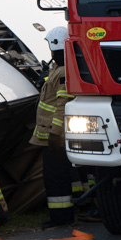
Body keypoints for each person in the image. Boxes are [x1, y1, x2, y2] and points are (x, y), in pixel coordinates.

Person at [29, 26, 77, 228]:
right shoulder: (59, 69)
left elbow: (62, 105)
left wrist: (55, 133)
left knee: (56, 178)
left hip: (54, 136)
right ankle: (66, 214)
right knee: (63, 176)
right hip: (53, 135)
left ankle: (61, 218)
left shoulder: (64, 71)